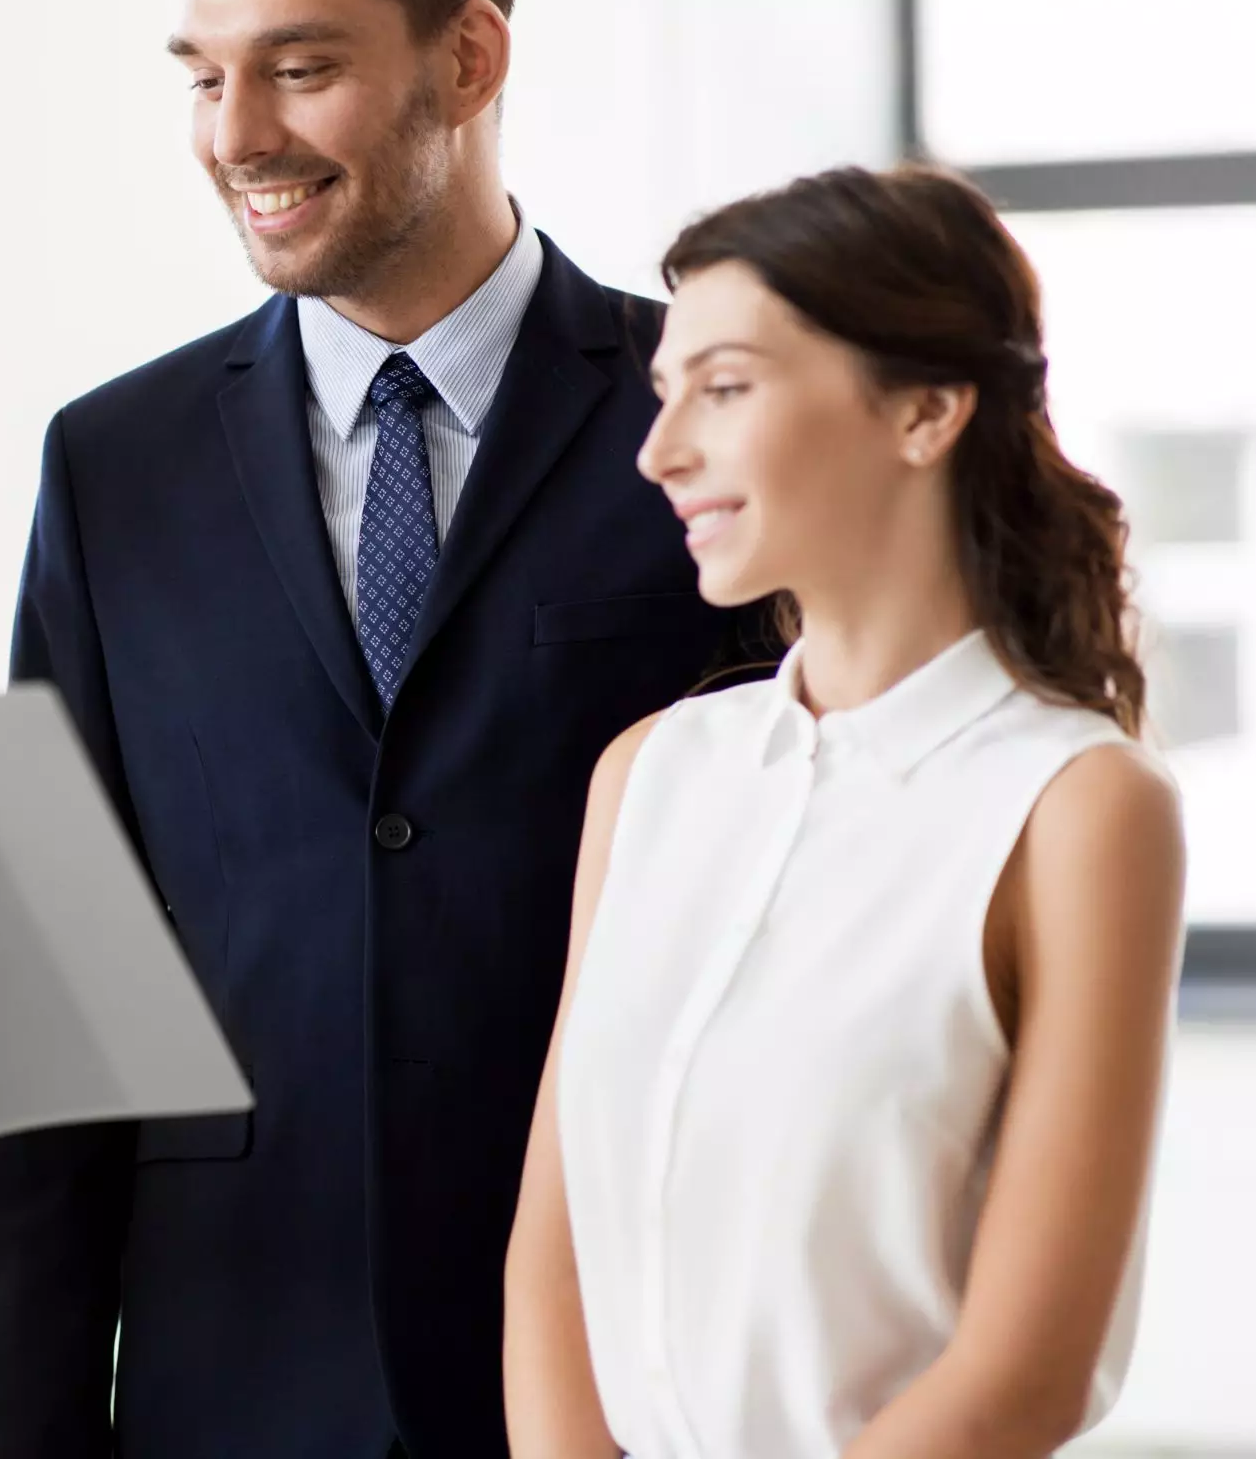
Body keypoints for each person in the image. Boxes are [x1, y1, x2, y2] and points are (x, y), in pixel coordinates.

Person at [0, 0, 738, 1457]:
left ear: (468, 59)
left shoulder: (704, 425)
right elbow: (54, 978)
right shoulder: (114, 466)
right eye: (201, 73)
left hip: (624, 1372)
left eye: (299, 67)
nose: (234, 131)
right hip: (226, 1376)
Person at [503, 164, 1186, 1458]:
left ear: (925, 407)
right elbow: (552, 1256)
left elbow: (1020, 1373)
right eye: (665, 393)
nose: (660, 452)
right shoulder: (646, 775)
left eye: (727, 386)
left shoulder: (1080, 809)